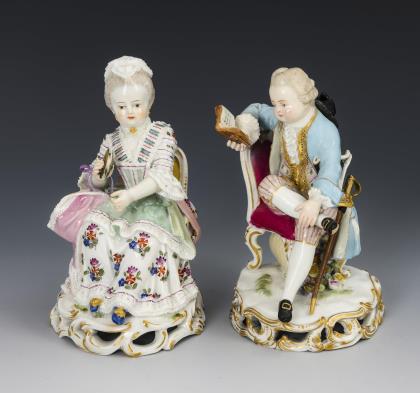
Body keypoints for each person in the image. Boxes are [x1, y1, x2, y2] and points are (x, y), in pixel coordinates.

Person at [53, 56, 200, 325]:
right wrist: (98, 174)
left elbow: (160, 176)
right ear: (112, 109)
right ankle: (97, 290)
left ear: (149, 103)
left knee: (143, 240)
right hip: (121, 203)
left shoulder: (162, 135)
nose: (130, 111)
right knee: (93, 229)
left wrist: (132, 195)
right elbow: (98, 183)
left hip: (155, 205)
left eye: (136, 105)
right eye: (121, 107)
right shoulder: (111, 140)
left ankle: (126, 297)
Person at [227, 67, 361, 322]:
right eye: (275, 103)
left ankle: (286, 299)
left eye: (284, 104)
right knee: (268, 185)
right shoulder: (282, 118)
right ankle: (320, 220)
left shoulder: (324, 130)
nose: (277, 110)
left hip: (321, 197)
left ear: (304, 99)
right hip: (287, 195)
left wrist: (314, 202)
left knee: (306, 229)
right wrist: (242, 127)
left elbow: (330, 171)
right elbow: (256, 110)